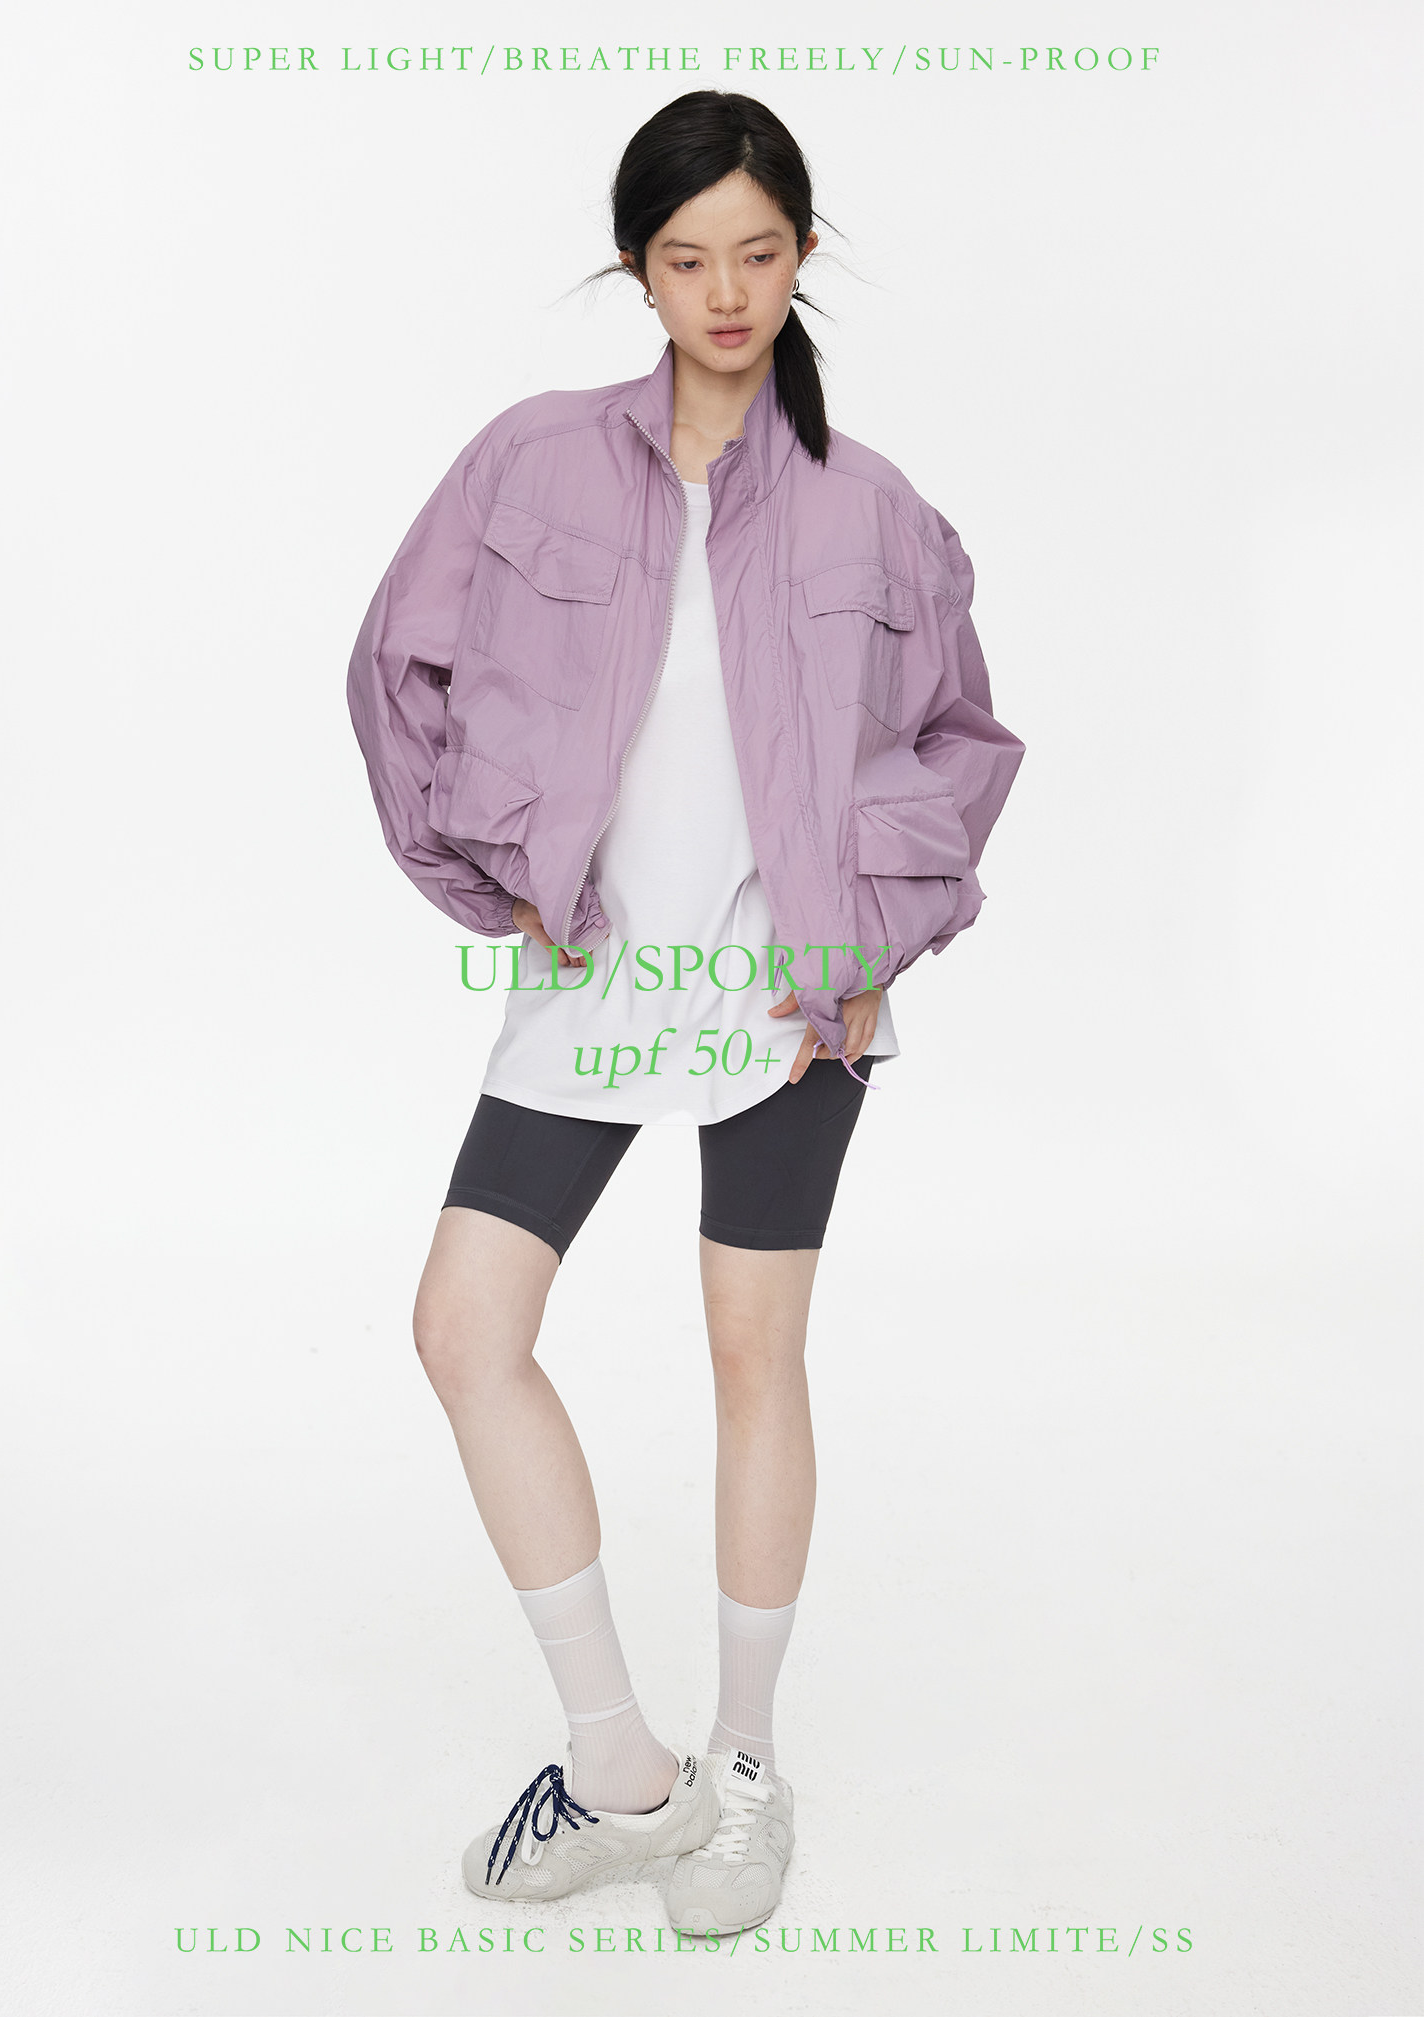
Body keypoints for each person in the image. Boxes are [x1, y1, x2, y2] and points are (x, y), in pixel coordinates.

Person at [346, 89, 1025, 1936]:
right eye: (685, 257)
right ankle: (617, 1766)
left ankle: (744, 1774)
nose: (726, 292)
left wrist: (870, 950)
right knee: (464, 1326)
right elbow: (393, 663)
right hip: (601, 969)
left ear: (803, 253)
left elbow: (963, 741)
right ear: (637, 271)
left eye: (759, 251)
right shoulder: (531, 461)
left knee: (750, 1354)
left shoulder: (875, 509)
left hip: (795, 990)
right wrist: (484, 878)